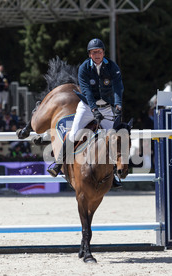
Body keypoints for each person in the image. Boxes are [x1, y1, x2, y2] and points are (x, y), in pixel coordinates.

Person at [47, 39, 124, 188]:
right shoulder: (84, 68)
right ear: (89, 54)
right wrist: (94, 110)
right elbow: (87, 91)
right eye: (94, 52)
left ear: (103, 53)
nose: (97, 54)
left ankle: (113, 172)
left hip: (107, 107)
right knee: (74, 134)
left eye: (99, 52)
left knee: (112, 138)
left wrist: (118, 105)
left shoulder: (112, 67)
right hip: (87, 107)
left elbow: (118, 87)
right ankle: (57, 165)